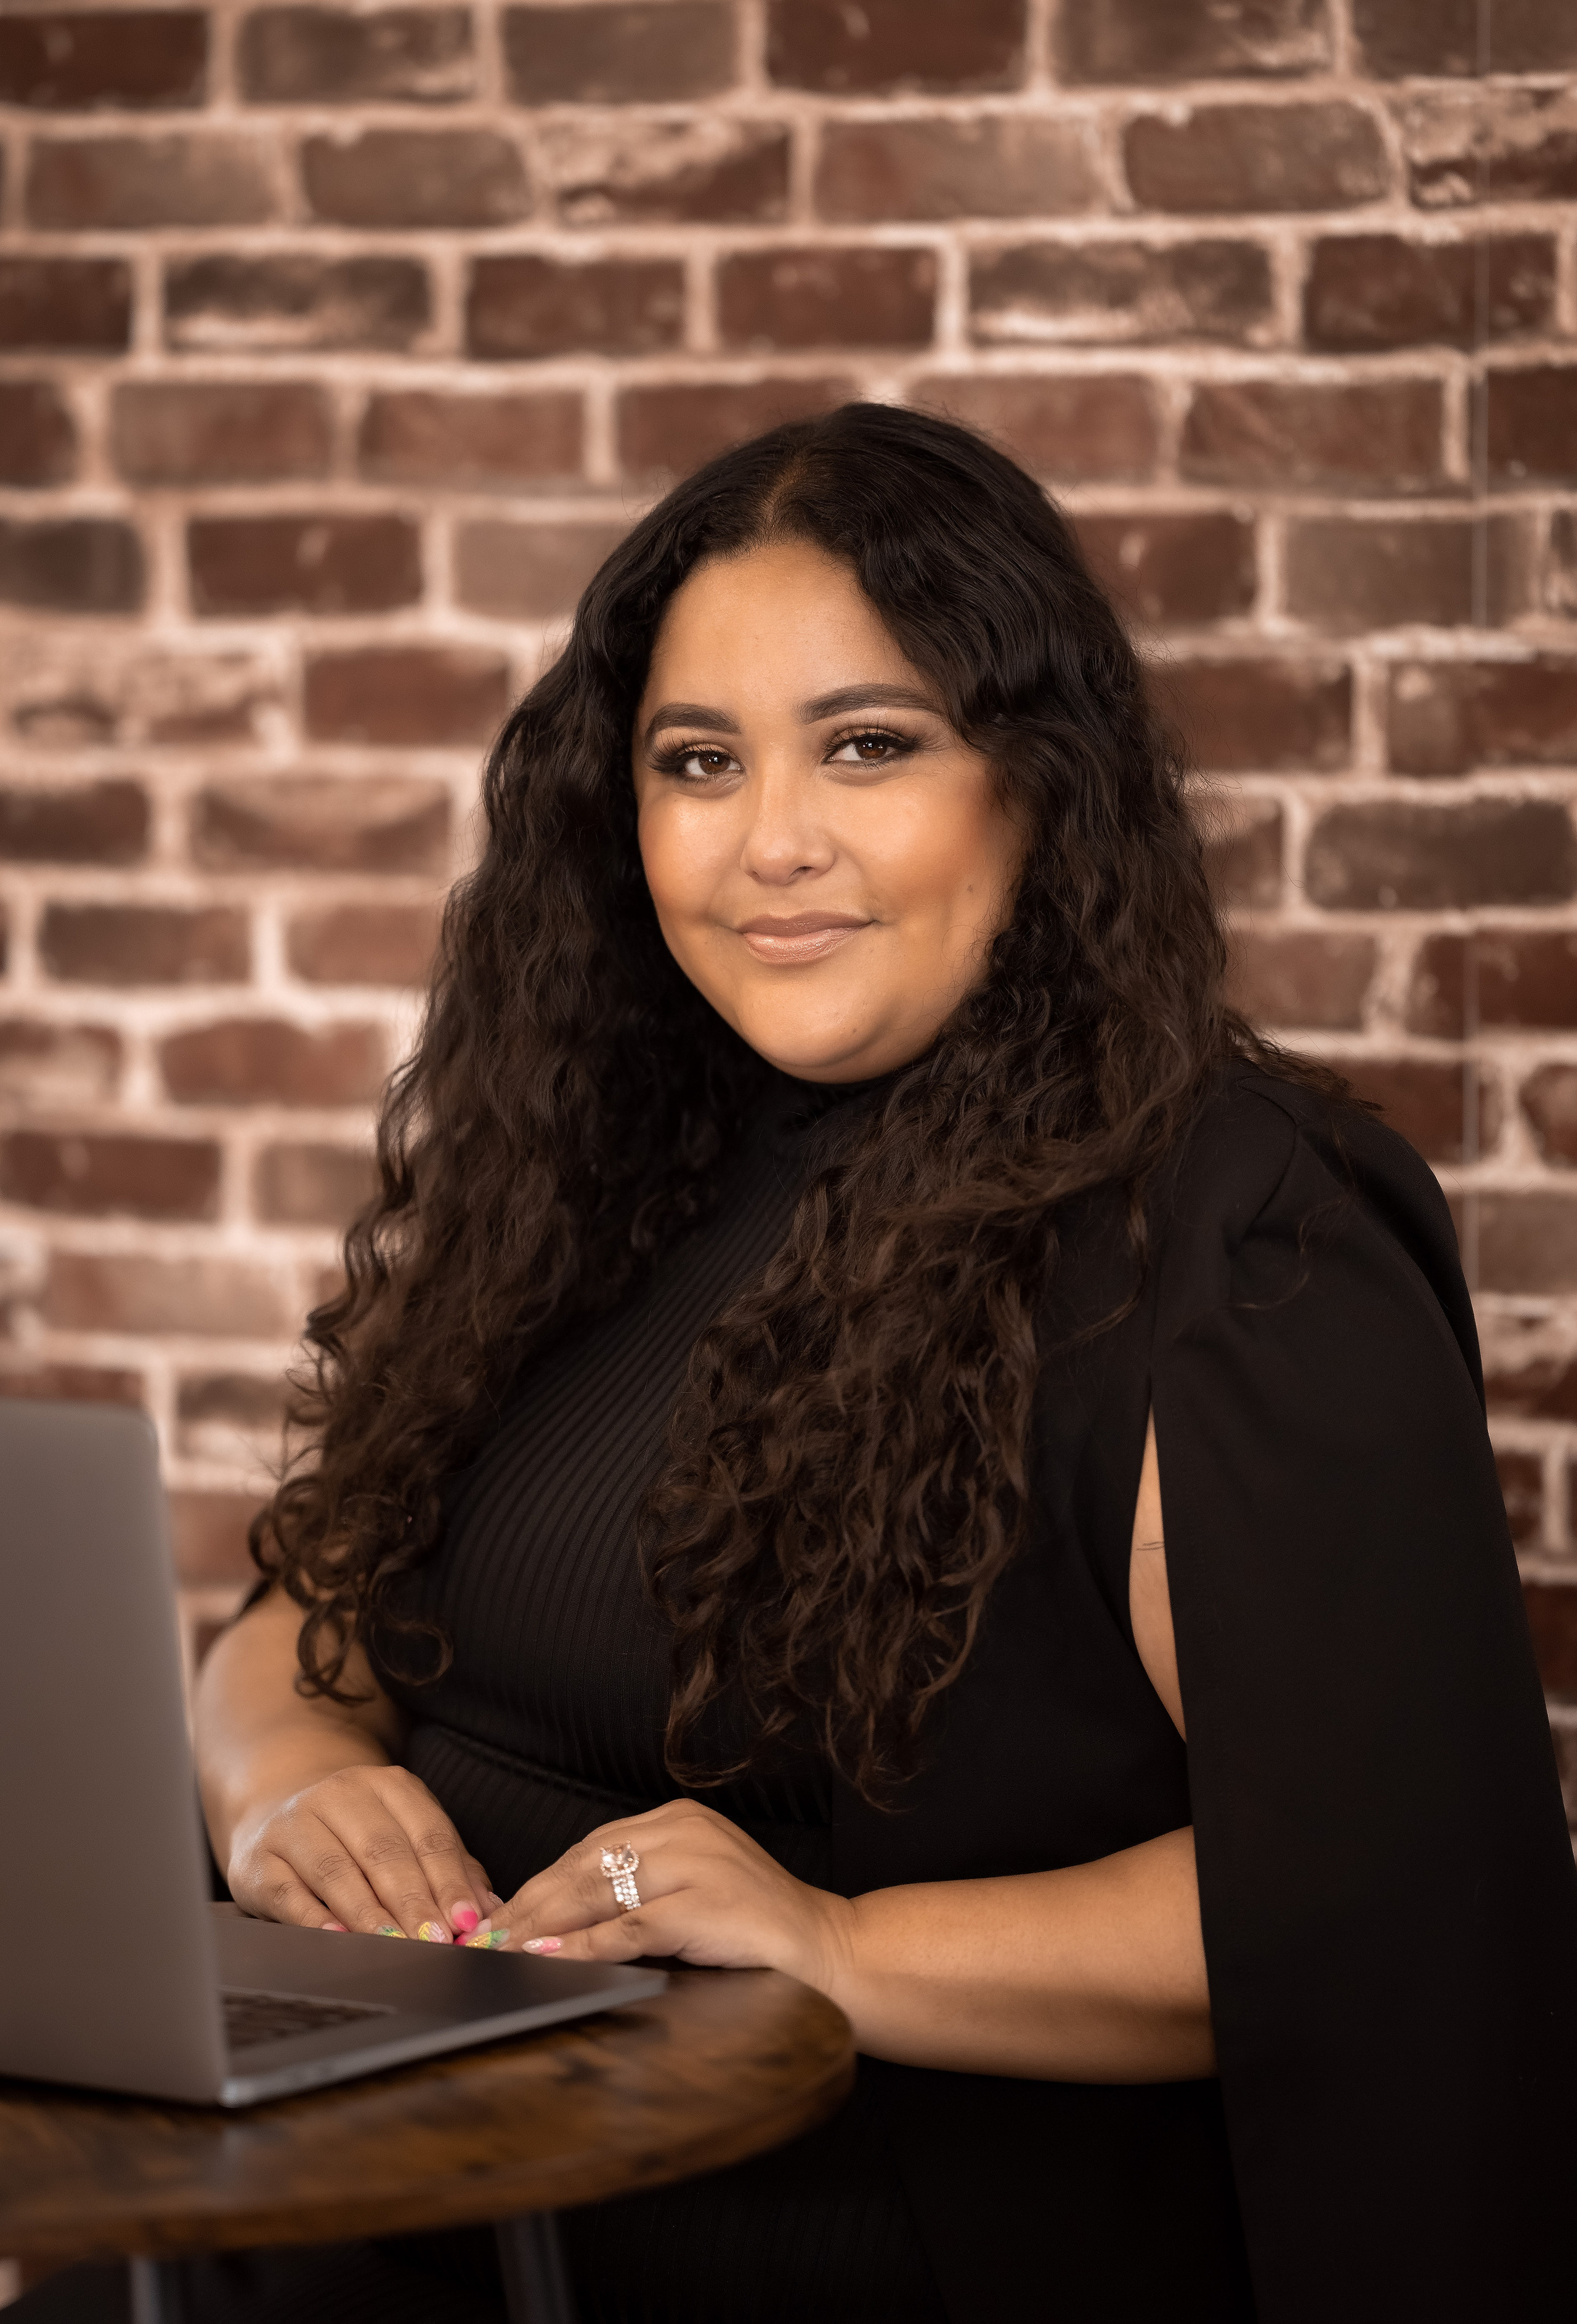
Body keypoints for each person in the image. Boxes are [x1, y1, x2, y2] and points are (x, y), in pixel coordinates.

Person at [55, 402, 1577, 2322]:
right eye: (700, 762)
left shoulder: (1237, 1236)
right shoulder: (599, 1169)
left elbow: (1381, 1906)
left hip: (829, 2234)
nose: (772, 842)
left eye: (869, 745)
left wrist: (838, 1944)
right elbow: (317, 1598)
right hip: (413, 2192)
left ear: (1035, 783)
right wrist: (278, 1782)